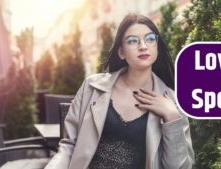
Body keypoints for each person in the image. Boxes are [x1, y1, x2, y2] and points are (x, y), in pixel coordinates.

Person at [45, 13, 194, 169]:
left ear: (157, 46)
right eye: (132, 41)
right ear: (121, 52)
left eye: (150, 39)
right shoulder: (92, 87)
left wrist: (172, 119)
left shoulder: (173, 103)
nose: (143, 46)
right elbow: (69, 146)